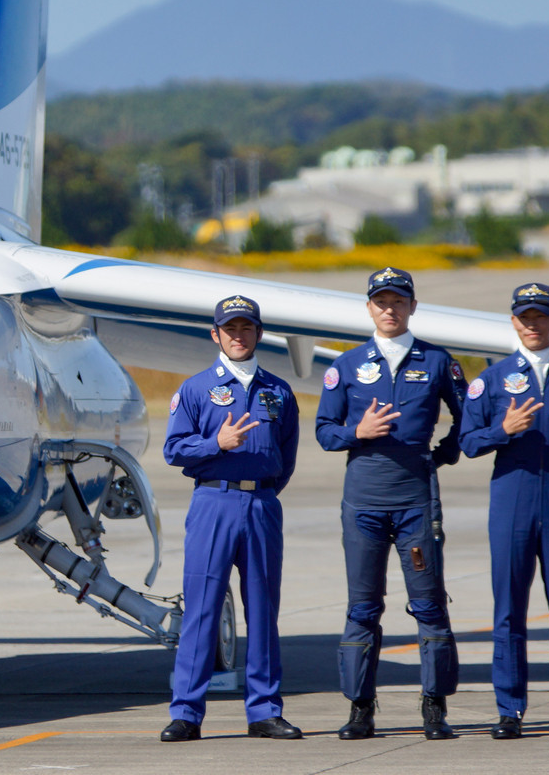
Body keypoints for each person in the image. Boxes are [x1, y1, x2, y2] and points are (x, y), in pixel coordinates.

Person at [316, 266, 464, 741]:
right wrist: (356, 433)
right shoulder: (346, 365)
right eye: (381, 301)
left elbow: (468, 417)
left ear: (413, 306)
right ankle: (360, 707)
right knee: (362, 607)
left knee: (428, 603)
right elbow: (324, 431)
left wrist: (441, 455)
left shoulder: (438, 361)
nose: (390, 309)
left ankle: (435, 706)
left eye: (398, 301)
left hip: (416, 501)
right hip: (364, 502)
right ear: (369, 308)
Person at [460, 282, 549, 740]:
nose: (533, 324)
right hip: (512, 499)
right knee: (509, 609)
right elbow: (468, 442)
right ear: (513, 322)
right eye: (525, 317)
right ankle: (510, 709)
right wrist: (501, 430)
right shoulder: (492, 379)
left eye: (541, 315)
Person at [160, 295, 303, 742]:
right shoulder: (195, 389)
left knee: (263, 609)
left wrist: (260, 492)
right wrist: (215, 445)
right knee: (202, 608)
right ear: (215, 334)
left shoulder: (279, 391)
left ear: (259, 333)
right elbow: (173, 449)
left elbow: (286, 456)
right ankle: (186, 712)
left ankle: (264, 711)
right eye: (230, 328)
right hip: (213, 503)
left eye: (246, 327)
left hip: (261, 505)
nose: (238, 336)